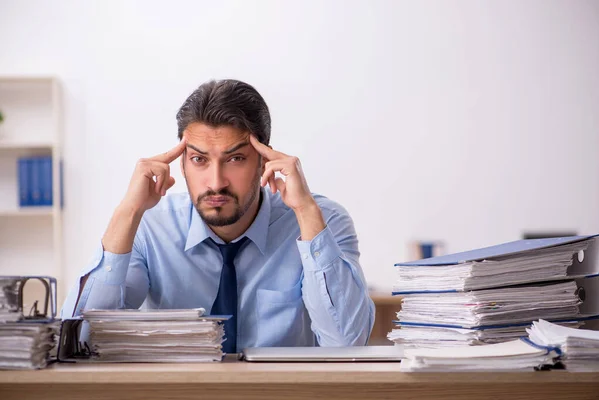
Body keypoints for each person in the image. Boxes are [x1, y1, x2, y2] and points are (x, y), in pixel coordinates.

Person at [62, 79, 375, 352]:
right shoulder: (150, 226)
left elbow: (346, 343)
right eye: (199, 159)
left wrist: (306, 212)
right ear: (181, 164)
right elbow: (79, 342)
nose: (215, 182)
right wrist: (127, 212)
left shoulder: (321, 221)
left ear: (265, 161)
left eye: (235, 158)